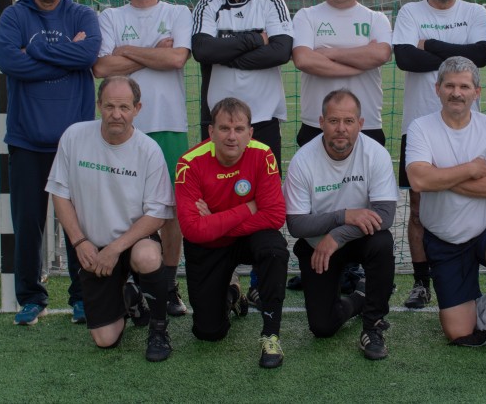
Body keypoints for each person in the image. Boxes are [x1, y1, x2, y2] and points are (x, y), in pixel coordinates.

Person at [0, 0, 101, 326]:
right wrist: (65, 56)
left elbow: (88, 54)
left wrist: (37, 50)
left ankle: (82, 296)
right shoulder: (14, 16)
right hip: (27, 138)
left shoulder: (82, 14)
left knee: (79, 223)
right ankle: (31, 297)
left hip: (74, 140)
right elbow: (9, 61)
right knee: (28, 222)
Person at [405, 56, 486, 355]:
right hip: (445, 238)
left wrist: (440, 176)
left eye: (464, 86)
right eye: (449, 86)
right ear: (437, 89)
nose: (456, 93)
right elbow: (418, 180)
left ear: (477, 92)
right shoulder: (420, 127)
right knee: (459, 332)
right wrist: (471, 169)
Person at [46, 76, 174, 362]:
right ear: (98, 106)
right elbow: (60, 194)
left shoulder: (148, 150)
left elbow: (157, 215)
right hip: (93, 247)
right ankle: (130, 297)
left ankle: (158, 330)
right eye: (110, 106)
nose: (117, 114)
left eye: (124, 107)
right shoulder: (74, 136)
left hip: (133, 240)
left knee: (147, 257)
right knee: (105, 340)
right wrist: (80, 242)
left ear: (137, 109)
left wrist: (115, 249)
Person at [93, 0, 191, 318]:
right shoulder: (111, 16)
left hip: (169, 124)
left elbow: (176, 59)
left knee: (171, 210)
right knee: (123, 206)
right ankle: (128, 282)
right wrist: (153, 52)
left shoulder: (178, 13)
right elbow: (103, 67)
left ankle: (168, 284)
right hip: (122, 127)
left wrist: (129, 52)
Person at [392, 0, 486, 309]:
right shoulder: (410, 12)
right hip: (419, 125)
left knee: (470, 198)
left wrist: (430, 45)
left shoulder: (475, 13)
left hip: (467, 127)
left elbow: (480, 57)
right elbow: (406, 58)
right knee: (419, 206)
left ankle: (467, 273)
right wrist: (458, 56)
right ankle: (422, 282)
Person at [284, 90, 398, 361]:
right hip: (318, 246)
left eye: (349, 121)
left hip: (359, 239)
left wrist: (337, 235)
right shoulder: (303, 160)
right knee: (322, 327)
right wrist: (343, 216)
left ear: (360, 123)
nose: (341, 129)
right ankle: (360, 296)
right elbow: (296, 225)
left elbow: (385, 215)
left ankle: (373, 326)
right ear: (321, 122)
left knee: (382, 243)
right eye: (334, 121)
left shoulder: (376, 154)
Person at [175, 97, 289, 369]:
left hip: (246, 238)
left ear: (250, 133)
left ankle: (271, 335)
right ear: (211, 131)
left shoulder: (263, 154)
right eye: (224, 128)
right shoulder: (189, 163)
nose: (231, 136)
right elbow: (192, 229)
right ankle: (233, 294)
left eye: (239, 129)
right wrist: (248, 207)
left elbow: (275, 215)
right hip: (209, 245)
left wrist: (214, 221)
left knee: (274, 250)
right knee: (208, 332)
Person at [191, 0, 293, 171]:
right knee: (217, 189)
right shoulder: (206, 6)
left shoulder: (272, 3)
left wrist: (226, 56)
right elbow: (203, 51)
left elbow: (280, 52)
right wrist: (255, 39)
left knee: (266, 190)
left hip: (263, 119)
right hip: (218, 122)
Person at [292, 0, 392, 147]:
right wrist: (361, 62)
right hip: (316, 123)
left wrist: (331, 53)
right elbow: (304, 60)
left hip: (366, 123)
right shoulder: (306, 16)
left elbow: (381, 54)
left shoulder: (376, 19)